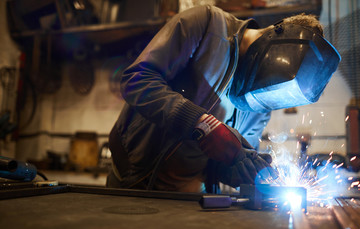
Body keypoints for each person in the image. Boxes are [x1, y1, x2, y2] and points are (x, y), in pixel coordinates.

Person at [106, 5, 340, 193]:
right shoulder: (206, 25)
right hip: (133, 182)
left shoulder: (261, 103)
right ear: (274, 47)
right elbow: (136, 80)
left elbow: (221, 166)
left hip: (189, 200)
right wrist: (201, 124)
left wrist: (241, 169)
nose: (264, 99)